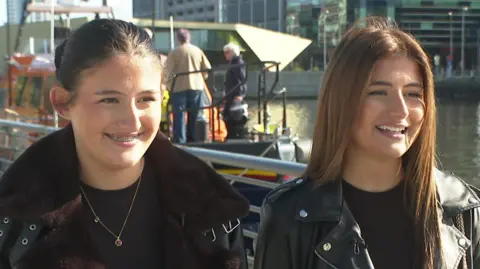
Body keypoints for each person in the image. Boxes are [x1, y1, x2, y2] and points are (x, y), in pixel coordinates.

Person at [0, 19, 249, 269]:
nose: (132, 120)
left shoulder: (212, 210)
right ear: (63, 103)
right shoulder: (13, 224)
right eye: (109, 100)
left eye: (146, 99)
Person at [254, 17, 480, 269]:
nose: (400, 110)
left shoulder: (462, 208)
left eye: (413, 94)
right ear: (342, 101)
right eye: (378, 92)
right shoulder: (290, 216)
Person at [164, 28, 212, 143]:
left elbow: (167, 72)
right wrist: (201, 78)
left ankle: (180, 140)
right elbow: (207, 67)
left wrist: (168, 85)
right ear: (189, 38)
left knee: (179, 116)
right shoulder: (197, 50)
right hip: (196, 87)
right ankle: (193, 139)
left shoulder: (174, 52)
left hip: (179, 87)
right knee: (195, 114)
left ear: (178, 39)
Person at [222, 43, 248, 140]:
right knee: (227, 115)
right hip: (231, 94)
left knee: (231, 116)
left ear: (233, 52)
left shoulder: (238, 63)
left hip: (234, 95)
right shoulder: (234, 63)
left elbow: (241, 79)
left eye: (227, 52)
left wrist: (240, 94)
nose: (225, 55)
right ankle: (231, 136)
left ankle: (233, 136)